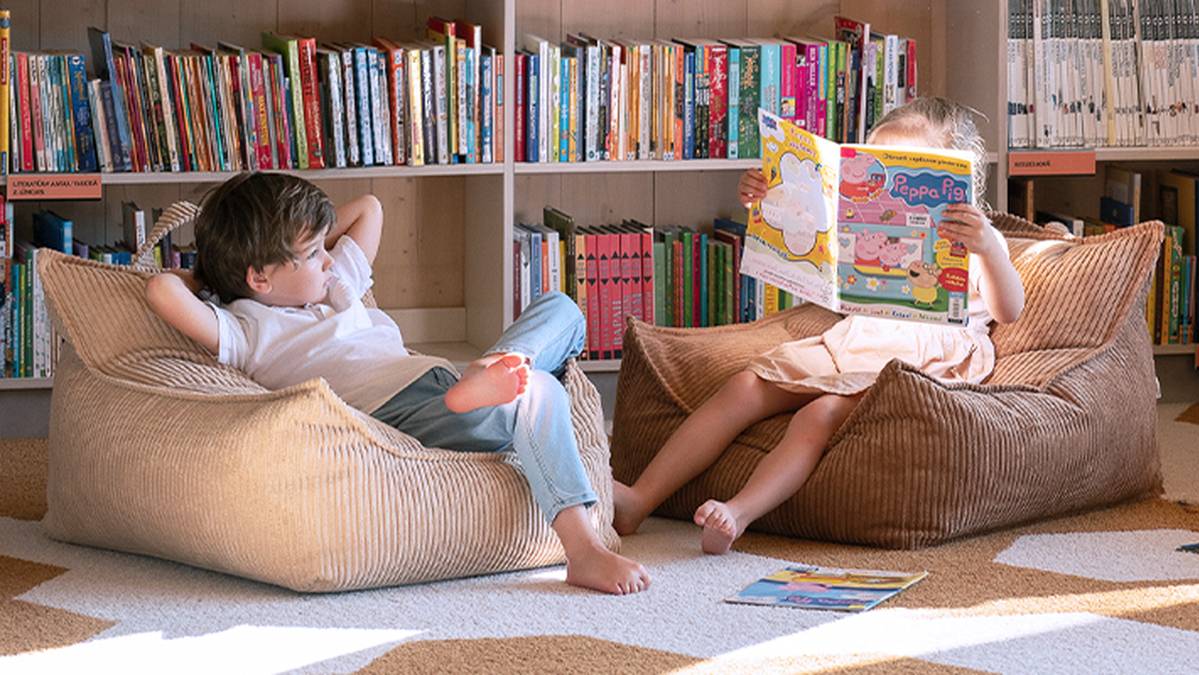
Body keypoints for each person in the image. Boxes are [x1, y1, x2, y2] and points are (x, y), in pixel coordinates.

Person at [146, 172, 650, 595]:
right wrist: (212, 274)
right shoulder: (246, 329)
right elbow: (161, 290)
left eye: (326, 245)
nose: (328, 256)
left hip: (440, 378)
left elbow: (369, 208)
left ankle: (501, 362)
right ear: (258, 278)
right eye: (314, 251)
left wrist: (299, 243)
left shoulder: (334, 286)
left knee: (562, 307)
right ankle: (582, 550)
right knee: (540, 391)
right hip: (398, 409)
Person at [612, 97, 1026, 554]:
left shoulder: (979, 236)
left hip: (922, 358)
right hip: (858, 333)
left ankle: (738, 512)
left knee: (820, 413)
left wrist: (987, 248)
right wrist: (767, 200)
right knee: (746, 385)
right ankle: (638, 499)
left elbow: (1008, 309)